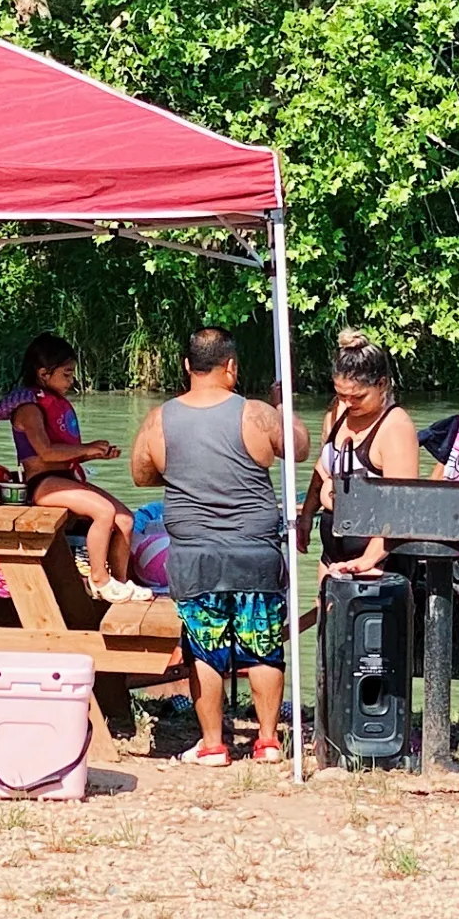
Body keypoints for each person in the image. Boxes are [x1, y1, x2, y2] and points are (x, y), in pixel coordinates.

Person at [130, 327, 310, 767]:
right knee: (264, 644)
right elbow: (300, 449)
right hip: (255, 550)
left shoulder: (159, 419)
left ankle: (213, 744)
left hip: (195, 554)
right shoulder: (256, 414)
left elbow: (141, 474)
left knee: (204, 647)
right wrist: (283, 404)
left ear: (187, 367)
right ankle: (267, 741)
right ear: (231, 367)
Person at [0, 333, 149, 603]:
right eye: (66, 374)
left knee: (124, 519)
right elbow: (46, 453)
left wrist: (95, 453)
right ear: (43, 374)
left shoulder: (52, 403)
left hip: (65, 477)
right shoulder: (29, 408)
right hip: (43, 482)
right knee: (104, 511)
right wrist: (87, 448)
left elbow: (66, 454)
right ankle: (99, 580)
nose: (71, 380)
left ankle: (119, 584)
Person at [298, 330, 419, 578]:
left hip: (378, 558)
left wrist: (368, 559)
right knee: (327, 614)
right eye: (341, 394)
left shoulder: (395, 427)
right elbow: (323, 467)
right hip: (332, 548)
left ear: (382, 384)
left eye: (358, 396)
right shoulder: (338, 411)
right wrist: (307, 515)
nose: (349, 402)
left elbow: (401, 506)